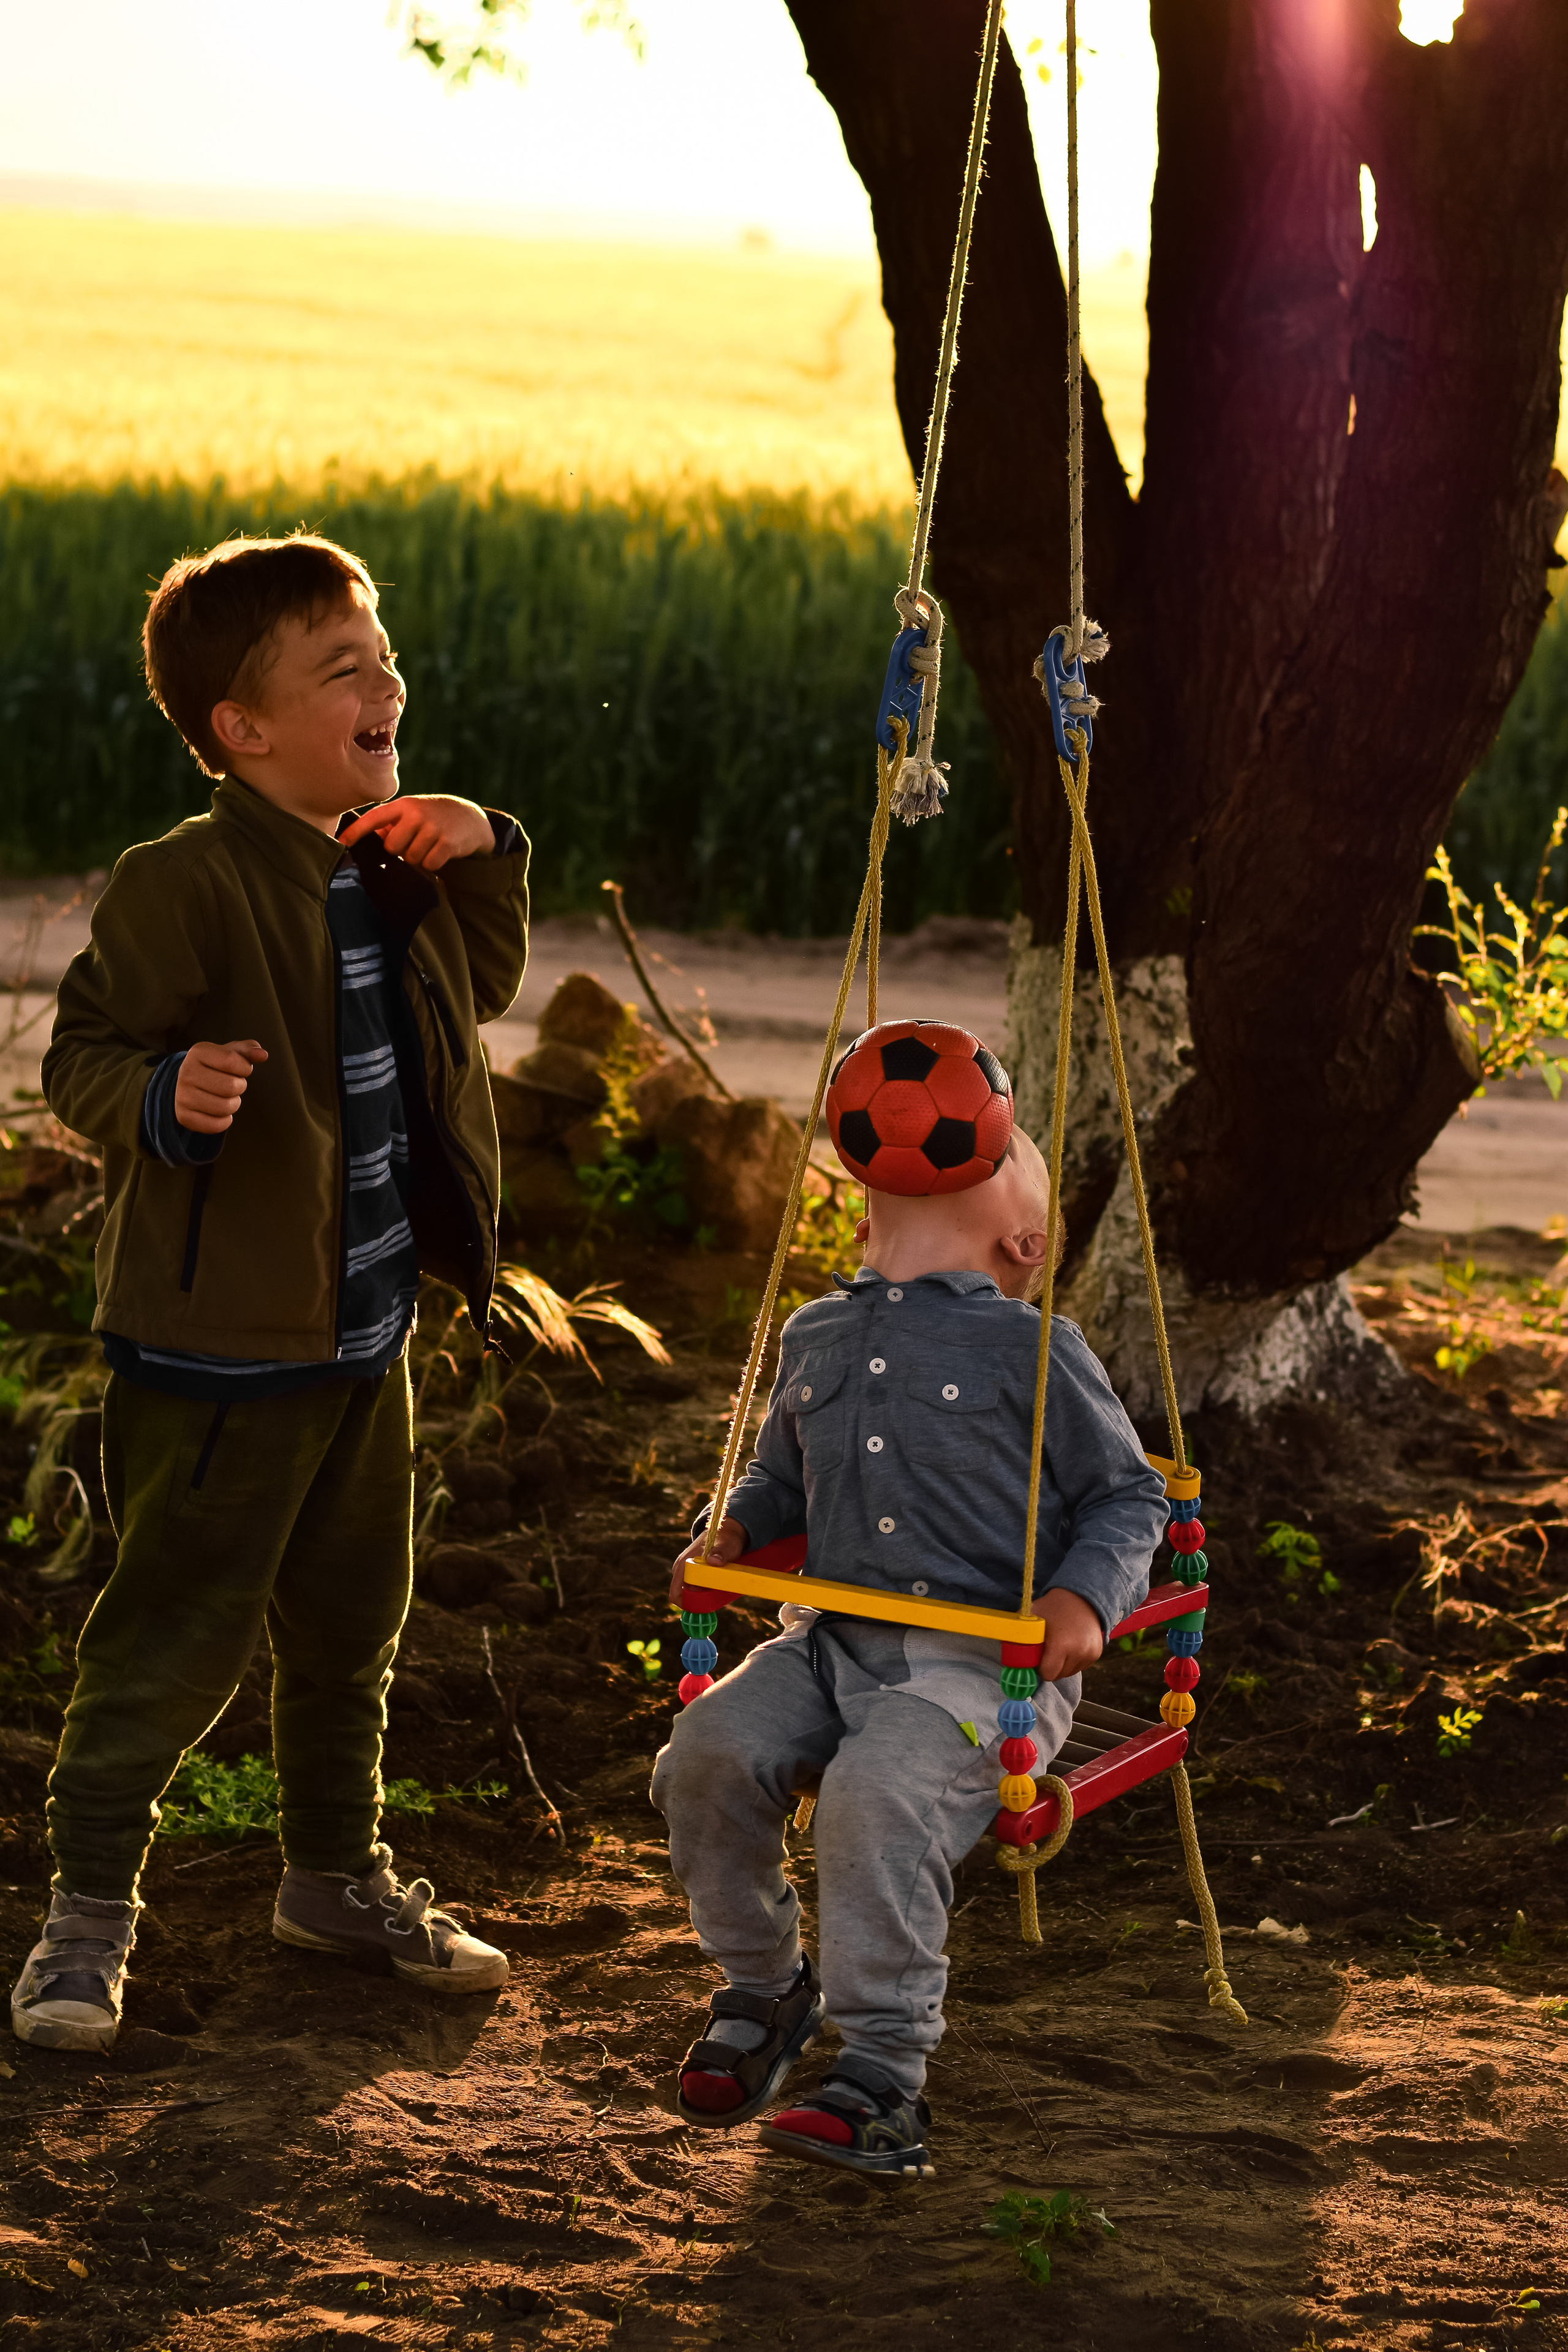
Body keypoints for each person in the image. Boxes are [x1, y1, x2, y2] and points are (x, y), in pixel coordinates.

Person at [11, 532, 528, 2052]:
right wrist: (167, 1089)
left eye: (382, 655)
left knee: (352, 1622)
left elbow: (476, 995)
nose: (387, 683)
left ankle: (334, 1879)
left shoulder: (390, 856)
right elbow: (77, 1062)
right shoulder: (184, 881)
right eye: (343, 668)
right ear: (242, 732)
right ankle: (85, 1920)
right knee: (172, 1632)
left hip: (367, 1333)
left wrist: (481, 840)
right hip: (219, 1351)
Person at [651, 1095, 1167, 2178]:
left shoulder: (1039, 1350)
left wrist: (1083, 1599)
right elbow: (779, 1477)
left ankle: (884, 2071)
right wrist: (739, 1525)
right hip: (829, 1642)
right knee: (703, 1755)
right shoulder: (814, 1333)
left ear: (1024, 1244)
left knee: (874, 1794)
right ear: (862, 1215)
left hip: (982, 1669)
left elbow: (1129, 1498)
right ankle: (764, 1983)